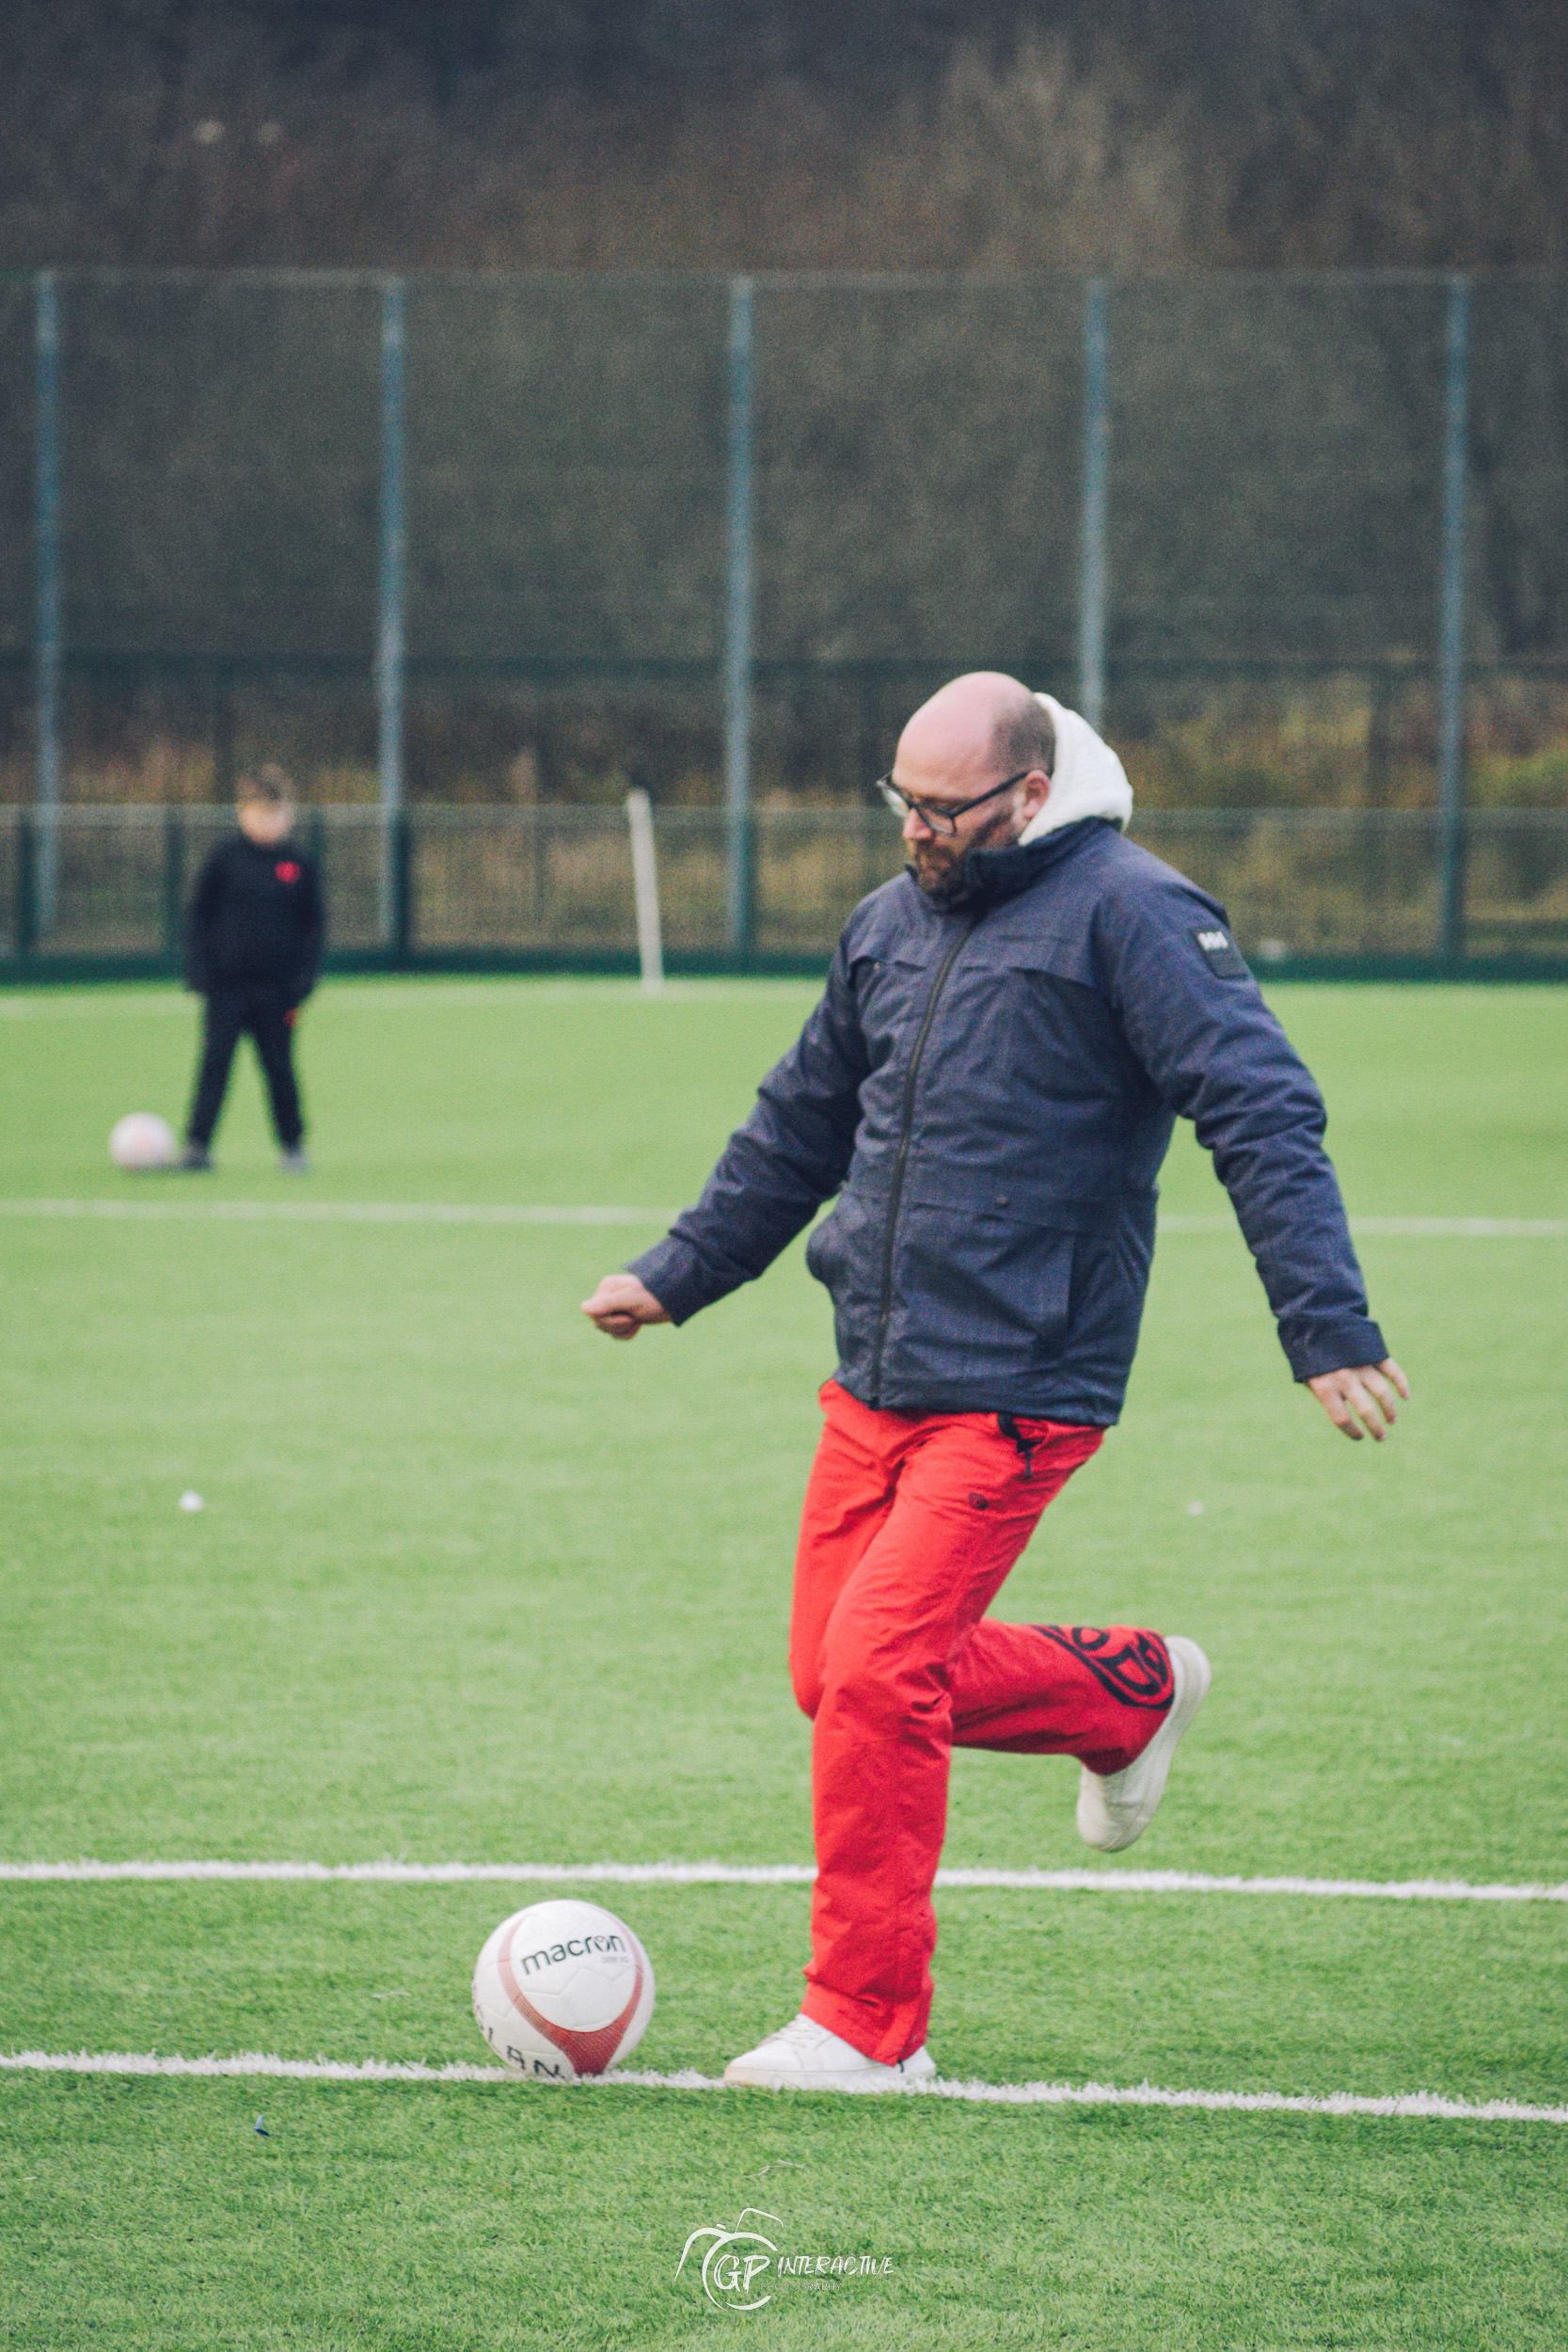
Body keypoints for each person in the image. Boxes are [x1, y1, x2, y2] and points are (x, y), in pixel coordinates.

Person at [583, 672, 1407, 2092]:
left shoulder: (1137, 913)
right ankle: (1124, 1696)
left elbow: (1261, 1106)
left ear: (1027, 792)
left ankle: (862, 2025)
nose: (914, 831)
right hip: (877, 1372)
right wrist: (677, 1273)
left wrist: (1322, 1325)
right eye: (898, 802)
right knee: (832, 1677)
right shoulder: (885, 924)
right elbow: (799, 1121)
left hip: (1026, 1376)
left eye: (942, 808)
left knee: (875, 1667)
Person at [180, 766, 325, 1172]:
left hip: (278, 991)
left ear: (289, 815)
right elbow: (198, 916)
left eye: (276, 814)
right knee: (214, 1066)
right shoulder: (223, 859)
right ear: (242, 813)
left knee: (279, 1068)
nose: (268, 822)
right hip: (225, 987)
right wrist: (199, 969)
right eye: (260, 813)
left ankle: (293, 1146)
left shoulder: (298, 864)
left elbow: (314, 927)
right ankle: (197, 1146)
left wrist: (304, 980)